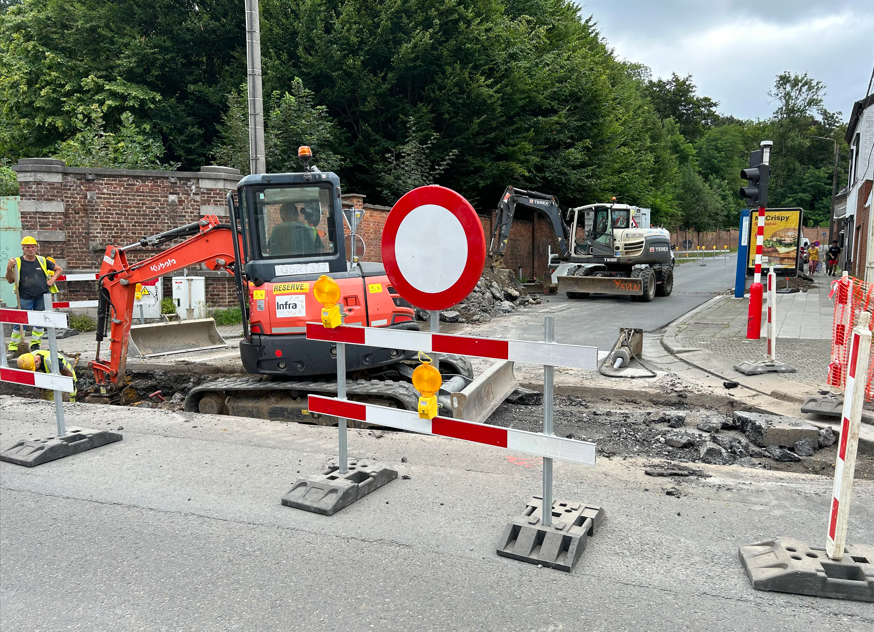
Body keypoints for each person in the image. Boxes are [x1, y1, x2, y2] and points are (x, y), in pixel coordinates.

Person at [4, 236, 63, 353]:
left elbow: (59, 269)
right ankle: (13, 347)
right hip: (25, 297)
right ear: (23, 248)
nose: (30, 249)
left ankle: (36, 344)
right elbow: (10, 280)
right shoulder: (17, 262)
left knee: (40, 321)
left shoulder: (42, 260)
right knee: (20, 322)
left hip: (42, 296)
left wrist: (52, 280)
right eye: (27, 247)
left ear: (36, 248)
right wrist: (8, 268)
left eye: (32, 247)